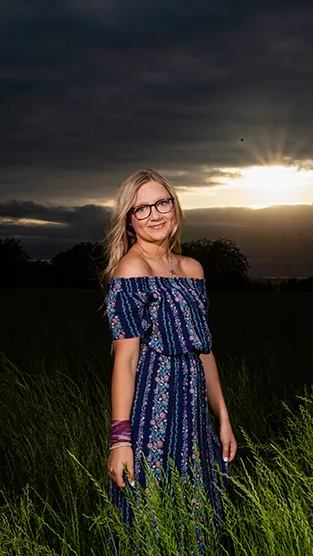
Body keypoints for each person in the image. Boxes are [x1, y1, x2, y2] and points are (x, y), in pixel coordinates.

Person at [100, 169, 237, 554]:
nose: (155, 214)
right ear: (128, 220)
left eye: (162, 202)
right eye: (141, 208)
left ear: (174, 206)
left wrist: (222, 419)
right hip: (151, 414)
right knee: (151, 515)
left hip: (193, 416)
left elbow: (204, 351)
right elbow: (125, 361)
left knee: (199, 512)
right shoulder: (131, 270)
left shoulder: (193, 270)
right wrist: (120, 440)